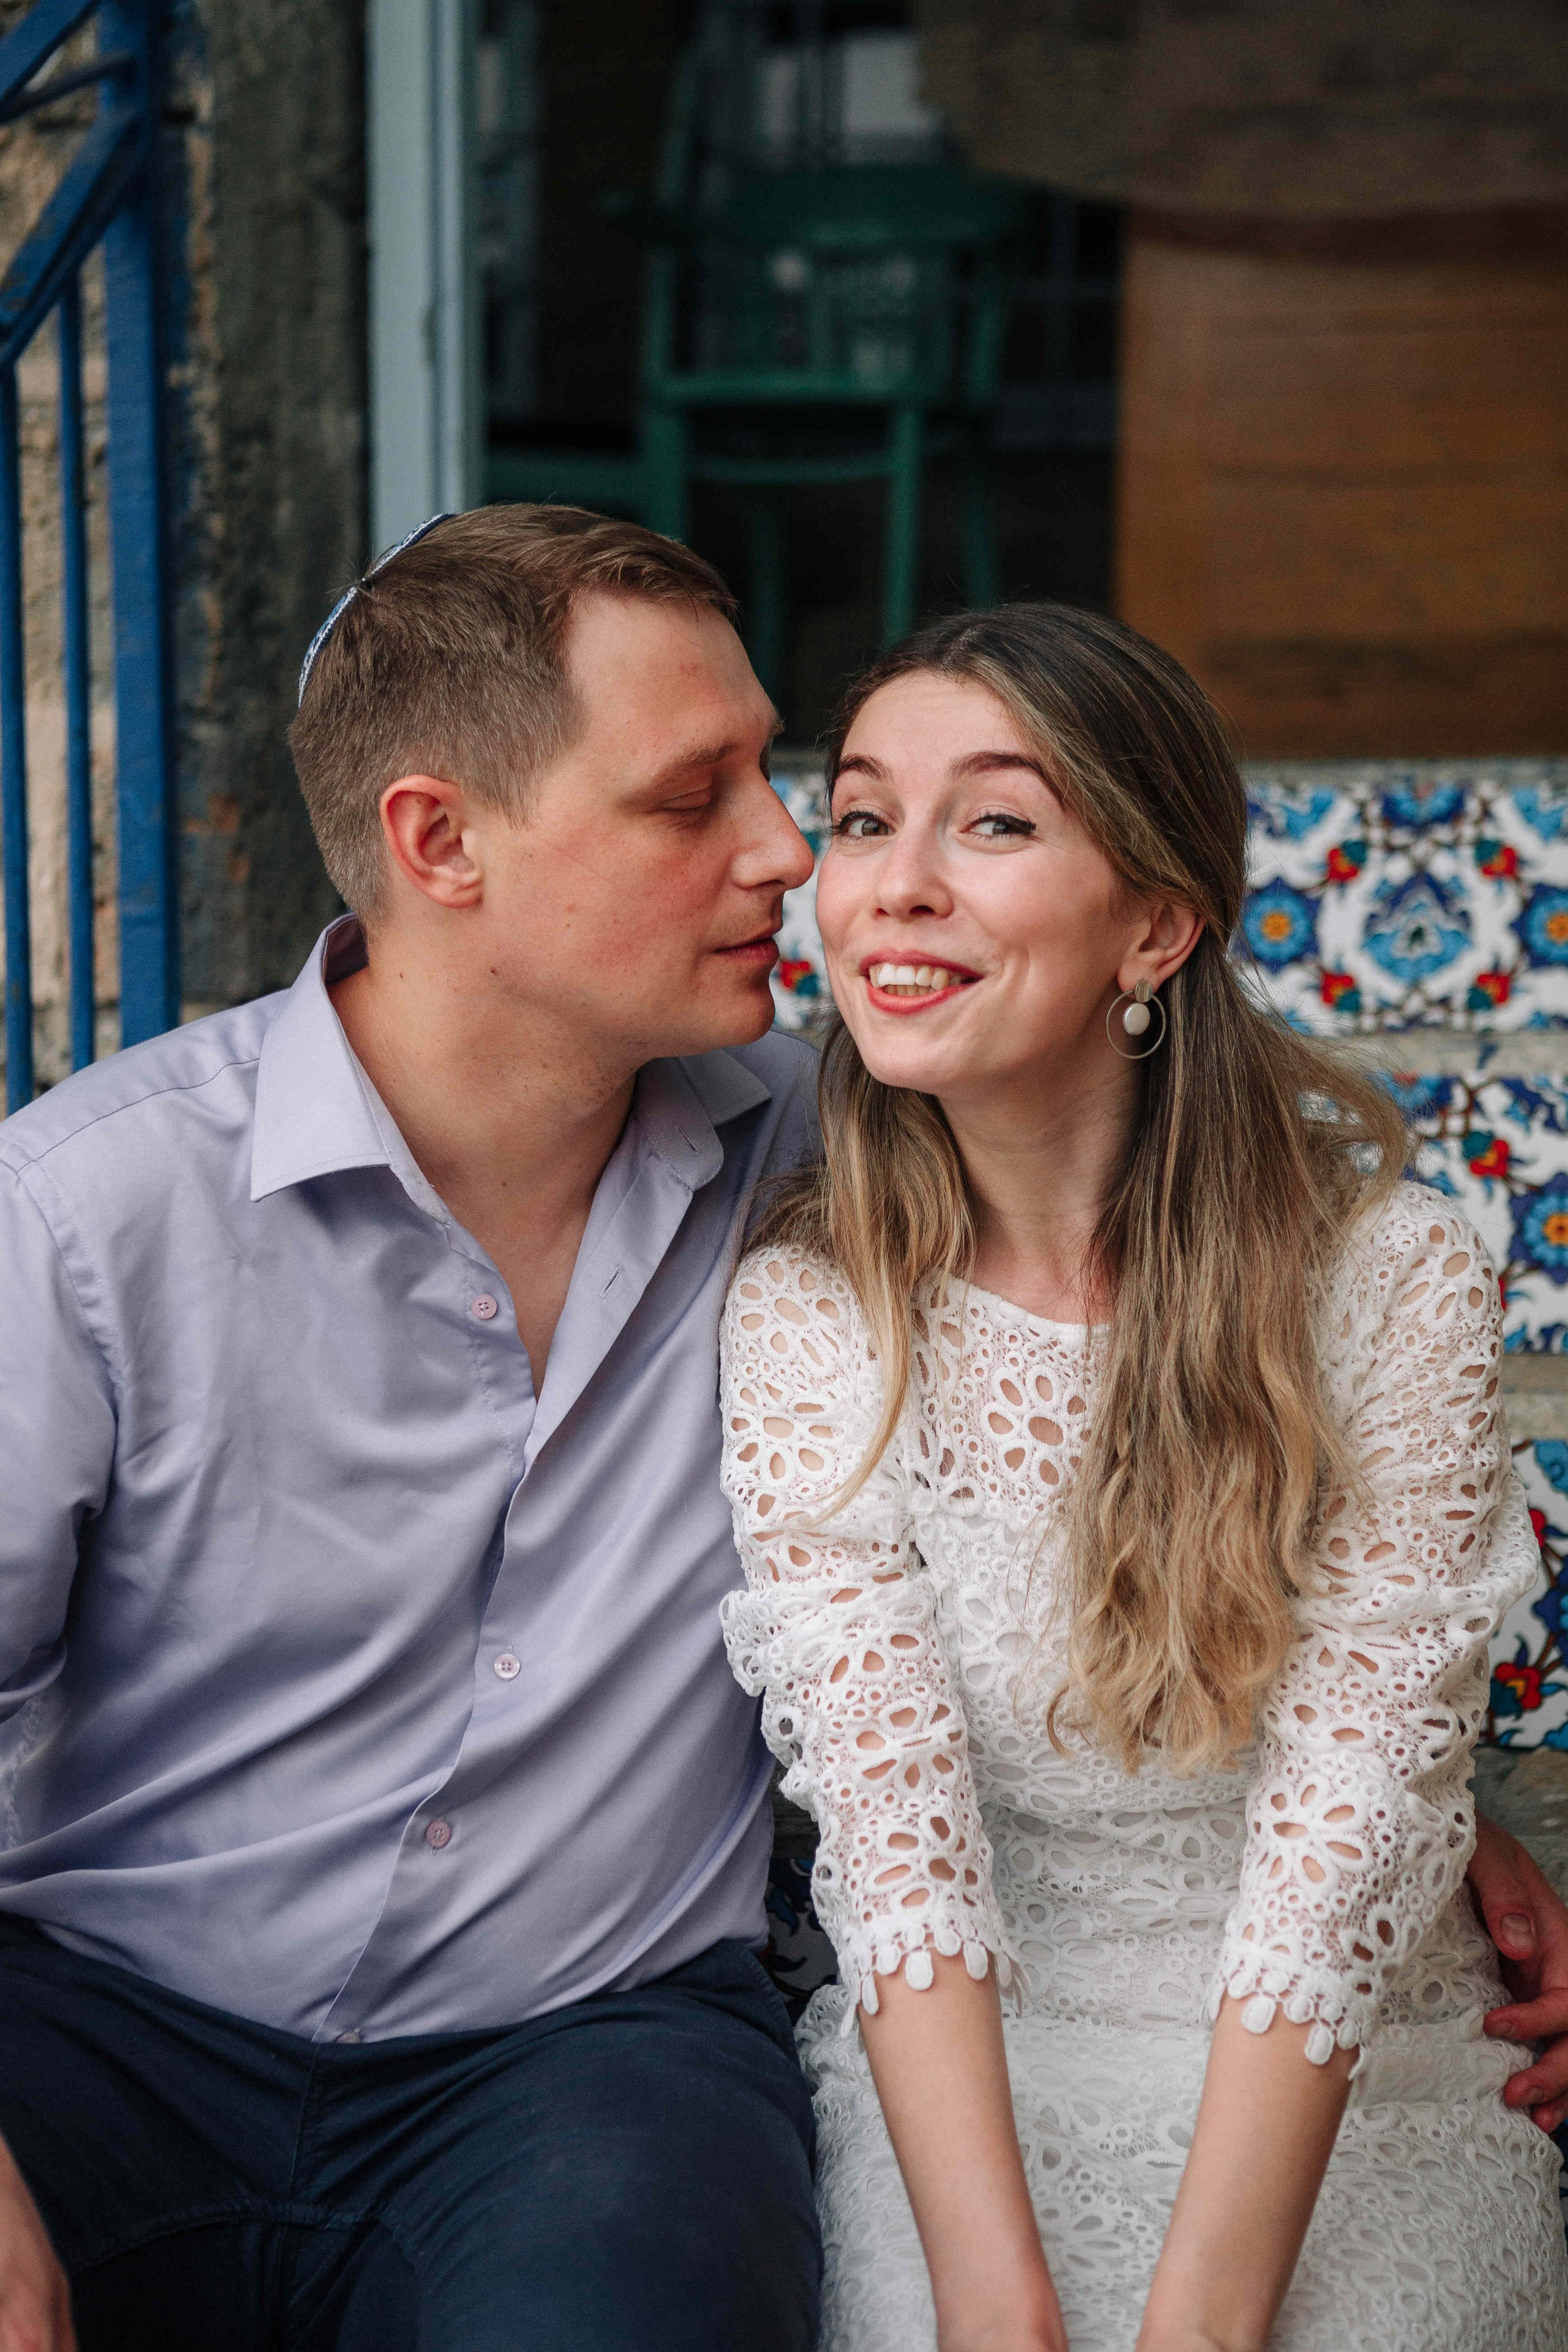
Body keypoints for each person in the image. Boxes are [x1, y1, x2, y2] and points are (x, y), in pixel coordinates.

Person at [0, 522, 1559, 2352]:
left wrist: (1458, 1827)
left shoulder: (841, 1160)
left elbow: (1247, 1434)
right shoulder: (88, 1219)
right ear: (441, 844)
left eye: (776, 775)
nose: (797, 860)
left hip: (573, 2065)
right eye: (694, 800)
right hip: (115, 2017)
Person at [719, 601, 1568, 2352]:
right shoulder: (811, 1312)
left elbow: (1349, 1830)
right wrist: (995, 2311)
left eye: (999, 820)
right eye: (867, 817)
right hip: (973, 2071)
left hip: (1353, 2061)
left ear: (1159, 927)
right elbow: (894, 1844)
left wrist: (1204, 2326)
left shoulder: (1386, 1277)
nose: (895, 882)